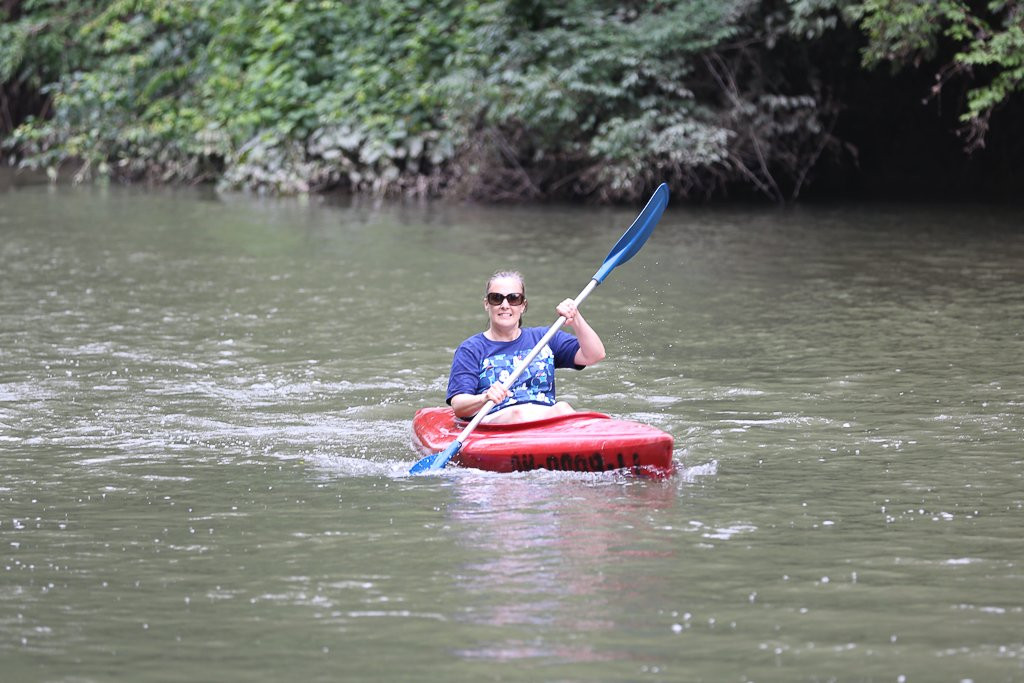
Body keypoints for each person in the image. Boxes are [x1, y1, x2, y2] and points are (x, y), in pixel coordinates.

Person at [446, 270, 606, 424]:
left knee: (562, 408)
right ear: (487, 304)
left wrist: (576, 318)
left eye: (513, 298)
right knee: (518, 414)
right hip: (496, 421)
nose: (505, 305)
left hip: (546, 422)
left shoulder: (546, 338)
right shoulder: (471, 349)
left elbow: (594, 355)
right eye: (496, 298)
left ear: (523, 305)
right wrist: (485, 397)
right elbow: (459, 405)